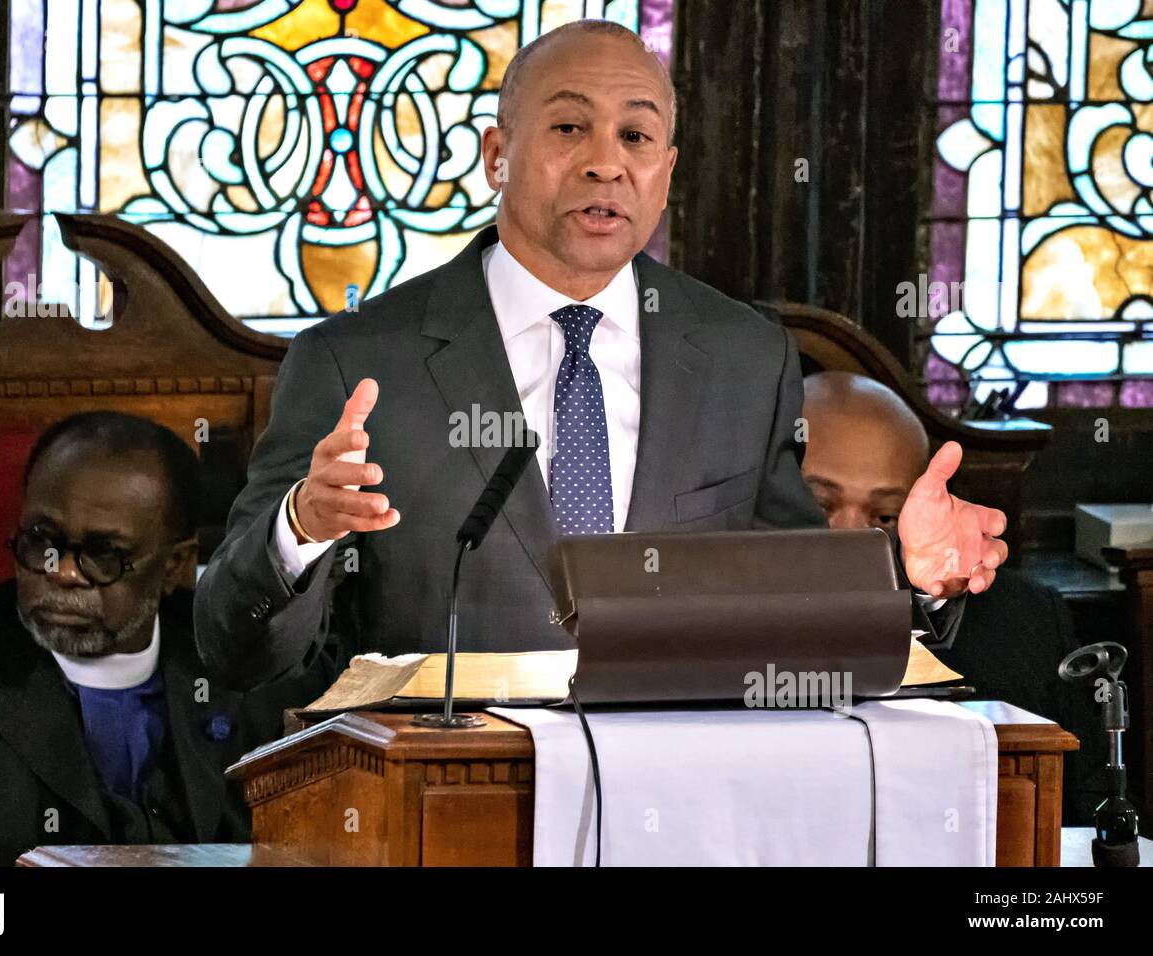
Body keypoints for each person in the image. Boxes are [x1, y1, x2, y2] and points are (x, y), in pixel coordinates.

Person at [193, 20, 1007, 692]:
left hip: (679, 804)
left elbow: (791, 616)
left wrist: (910, 576)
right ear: (495, 155)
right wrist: (299, 527)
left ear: (666, 174)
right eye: (569, 126)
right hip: (441, 806)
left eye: (636, 135)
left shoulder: (742, 357)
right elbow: (235, 651)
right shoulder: (356, 363)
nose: (605, 161)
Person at [0, 412, 328, 865]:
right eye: (41, 540)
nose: (60, 572)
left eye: (103, 554)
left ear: (175, 566)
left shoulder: (256, 676)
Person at [800, 371, 1104, 824]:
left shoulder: (1025, 619)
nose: (852, 535)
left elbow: (1087, 811)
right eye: (819, 504)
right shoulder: (707, 611)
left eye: (885, 514)